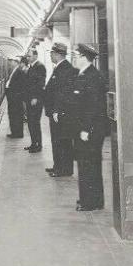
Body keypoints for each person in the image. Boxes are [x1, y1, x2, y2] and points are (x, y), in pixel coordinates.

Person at [67, 43, 109, 211]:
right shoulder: (84, 75)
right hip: (84, 129)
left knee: (89, 166)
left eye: (76, 56)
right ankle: (91, 200)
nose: (75, 59)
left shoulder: (93, 77)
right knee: (87, 165)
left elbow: (93, 106)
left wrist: (85, 129)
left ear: (85, 58)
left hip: (89, 130)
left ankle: (90, 202)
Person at [43, 42, 77, 176]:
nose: (51, 55)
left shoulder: (65, 69)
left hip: (60, 114)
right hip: (57, 112)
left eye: (52, 53)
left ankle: (63, 169)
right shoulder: (60, 68)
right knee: (58, 141)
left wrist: (57, 110)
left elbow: (62, 93)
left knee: (62, 141)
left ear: (57, 54)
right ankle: (58, 166)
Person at [23, 47, 46, 152]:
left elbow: (40, 83)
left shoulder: (40, 67)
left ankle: (38, 145)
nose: (28, 58)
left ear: (35, 56)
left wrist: (35, 97)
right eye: (27, 56)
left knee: (35, 122)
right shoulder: (31, 67)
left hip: (35, 100)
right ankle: (33, 143)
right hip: (30, 99)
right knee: (31, 123)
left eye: (29, 56)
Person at [5, 56, 28, 138]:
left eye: (13, 62)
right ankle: (14, 132)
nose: (11, 63)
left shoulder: (19, 71)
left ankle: (17, 133)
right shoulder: (16, 71)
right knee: (13, 115)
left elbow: (21, 86)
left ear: (17, 63)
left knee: (16, 116)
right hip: (13, 98)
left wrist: (17, 96)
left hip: (15, 98)